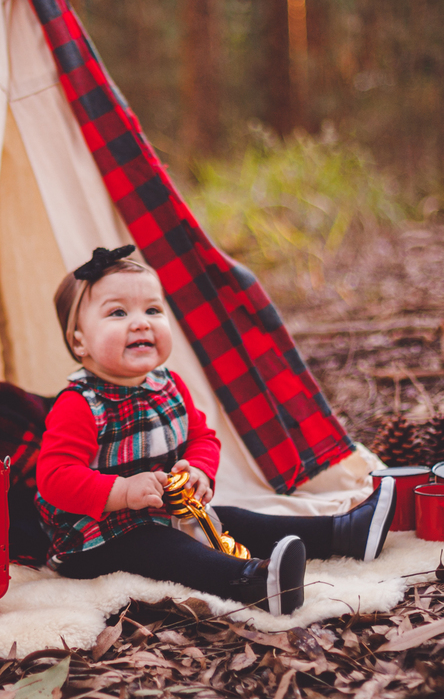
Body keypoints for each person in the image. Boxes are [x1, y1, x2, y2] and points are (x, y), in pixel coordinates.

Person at [35, 245, 396, 616]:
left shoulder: (168, 384)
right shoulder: (81, 404)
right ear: (79, 340)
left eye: (153, 310)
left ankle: (343, 533)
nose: (141, 322)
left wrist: (198, 469)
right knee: (159, 546)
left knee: (232, 519)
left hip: (162, 513)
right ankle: (251, 580)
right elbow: (54, 478)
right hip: (94, 541)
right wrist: (122, 491)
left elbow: (202, 437)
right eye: (118, 312)